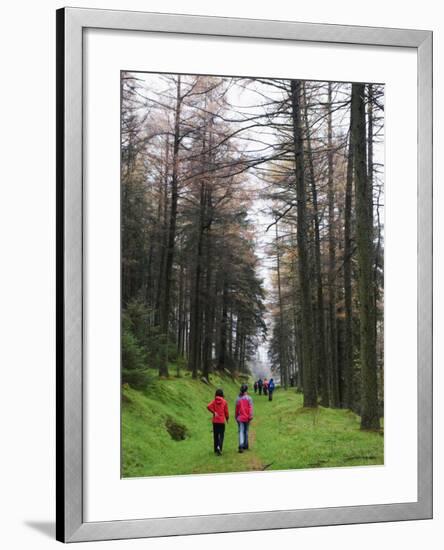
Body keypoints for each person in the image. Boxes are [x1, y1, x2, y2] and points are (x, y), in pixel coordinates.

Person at [207, 388, 229, 455]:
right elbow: (226, 412)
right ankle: (219, 447)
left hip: (215, 421)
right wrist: (227, 419)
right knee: (221, 435)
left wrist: (214, 412)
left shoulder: (214, 401)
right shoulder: (224, 402)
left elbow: (208, 406)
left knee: (215, 435)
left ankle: (215, 449)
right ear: (222, 394)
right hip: (221, 422)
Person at [235, 384, 253, 453]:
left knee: (241, 431)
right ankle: (245, 445)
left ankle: (241, 445)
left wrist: (236, 416)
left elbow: (236, 409)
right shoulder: (249, 398)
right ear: (246, 390)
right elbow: (250, 408)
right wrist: (250, 416)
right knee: (246, 431)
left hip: (240, 417)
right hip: (247, 417)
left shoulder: (238, 398)